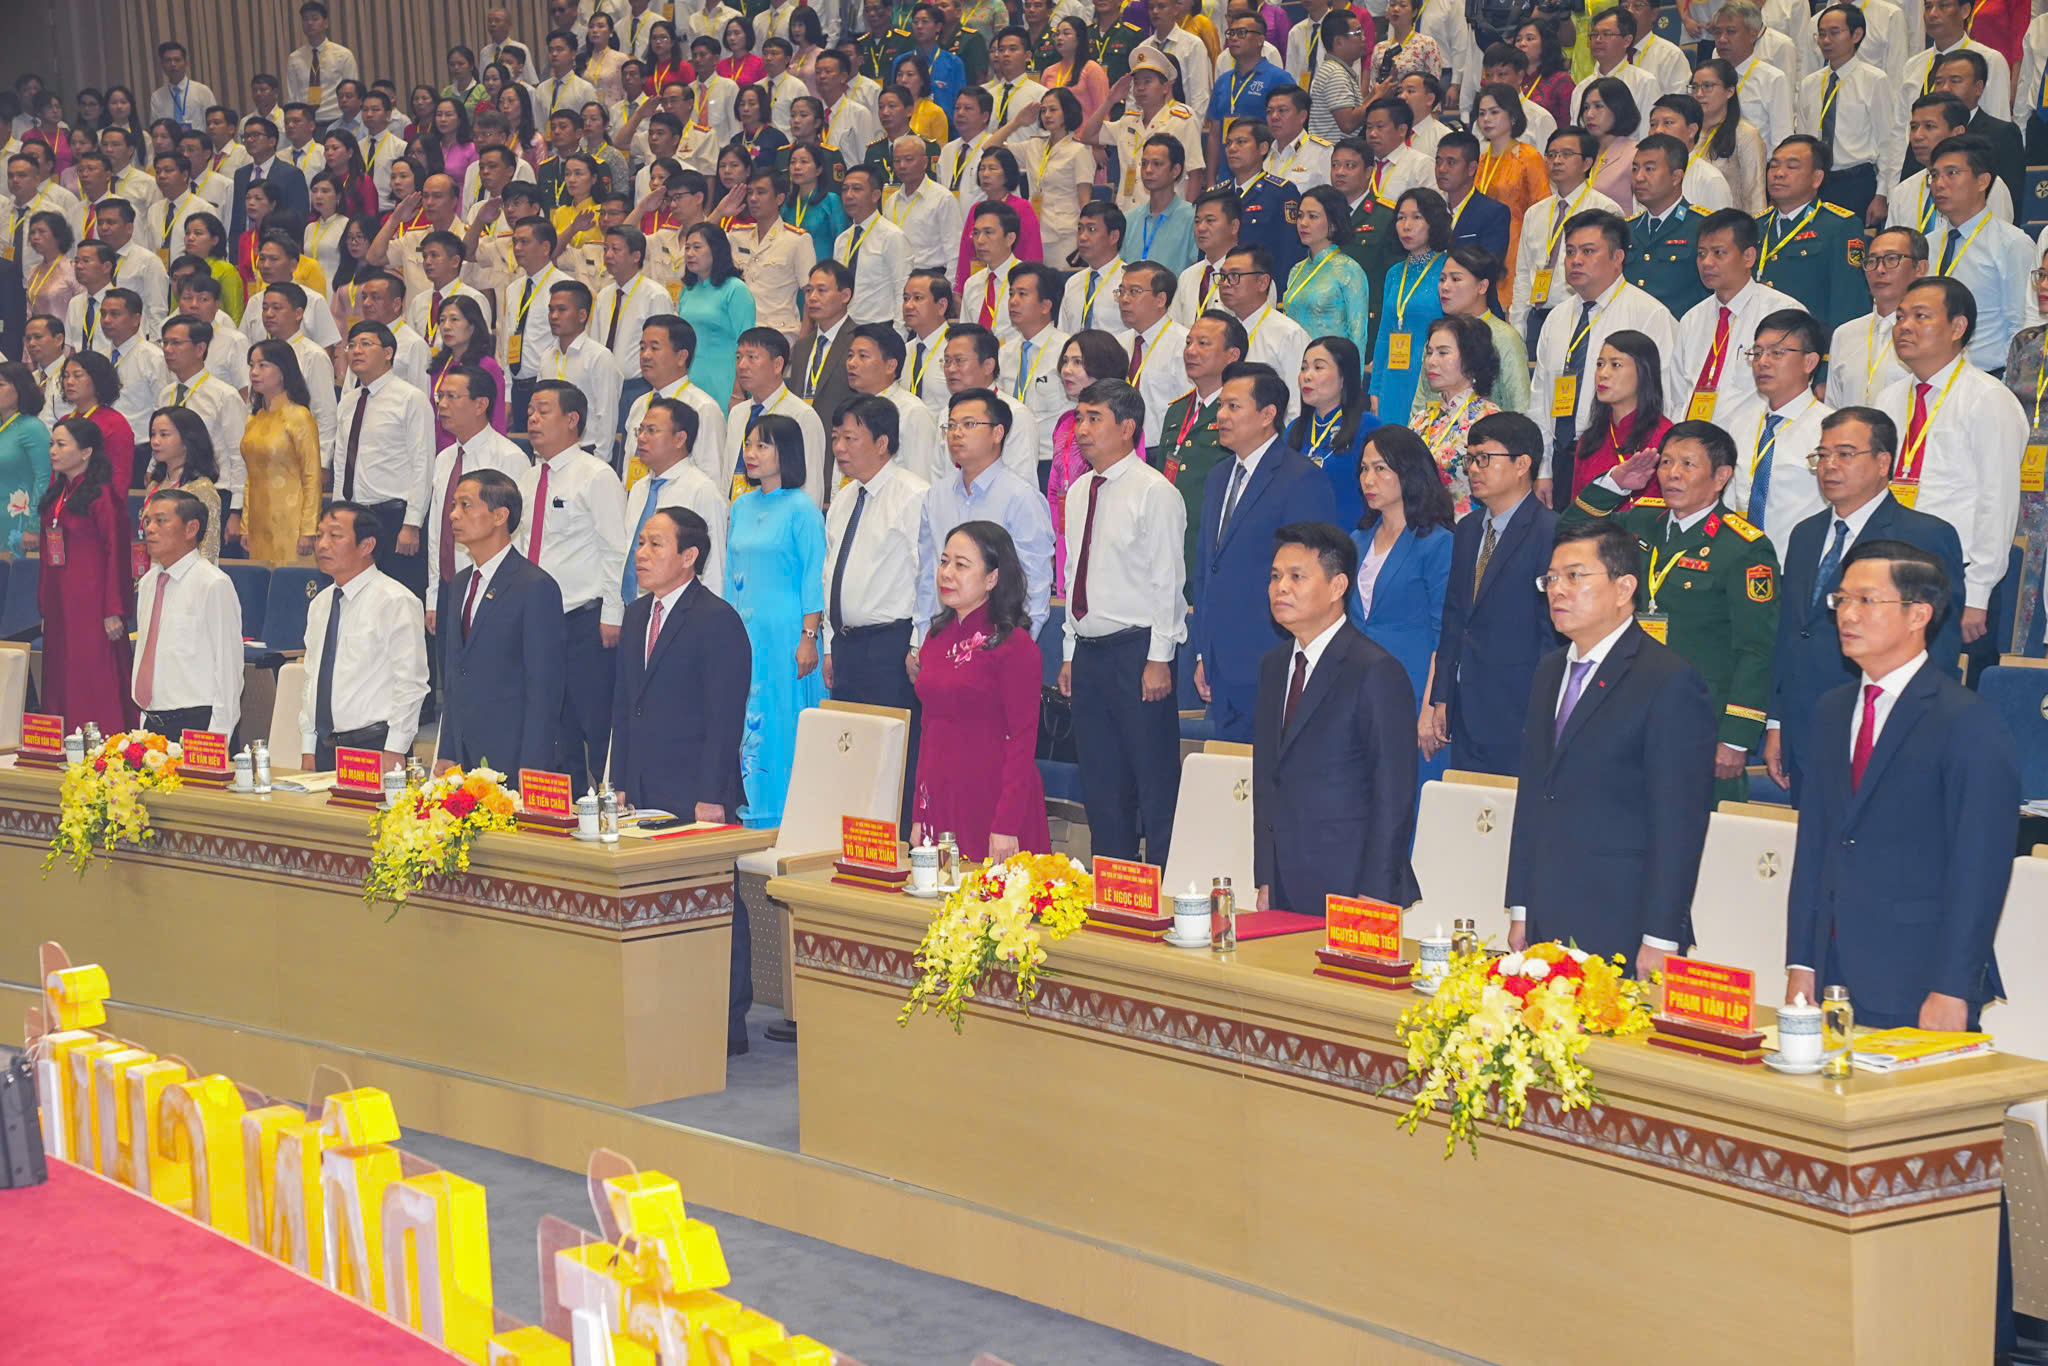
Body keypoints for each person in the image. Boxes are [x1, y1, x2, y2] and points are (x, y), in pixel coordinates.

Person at [1785, 540, 2015, 1030]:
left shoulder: (1966, 720)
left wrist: (1953, 986)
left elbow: (1980, 868)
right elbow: (1814, 845)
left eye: (1867, 600)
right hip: (1832, 972)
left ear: (1919, 614)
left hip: (1920, 976)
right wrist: (1801, 962)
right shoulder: (1831, 711)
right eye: (1842, 599)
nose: (1847, 614)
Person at [1506, 518, 1716, 973]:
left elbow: (1678, 823)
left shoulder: (1668, 680)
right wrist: (1520, 906)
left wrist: (1661, 935)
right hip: (1546, 911)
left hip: (1623, 919)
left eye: (1575, 576)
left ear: (1624, 588)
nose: (1558, 590)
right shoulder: (1548, 671)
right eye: (1551, 579)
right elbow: (1533, 796)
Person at [1562, 419, 1782, 803]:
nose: (1672, 474)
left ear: (1721, 477)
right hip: (1625, 705)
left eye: (1687, 464)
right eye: (1666, 462)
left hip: (1698, 714)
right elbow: (1568, 535)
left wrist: (1735, 737)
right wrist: (1615, 484)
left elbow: (1757, 649)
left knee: (1693, 825)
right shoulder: (1641, 521)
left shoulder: (1744, 547)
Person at [1763, 407, 1964, 803]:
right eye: (1822, 455)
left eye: (1845, 454)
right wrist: (1777, 722)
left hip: (1880, 728)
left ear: (1883, 462)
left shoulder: (1924, 536)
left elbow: (1939, 648)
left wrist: (1916, 733)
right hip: (1804, 730)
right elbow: (1791, 634)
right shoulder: (1805, 534)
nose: (1829, 466)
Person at [1253, 518, 1420, 915]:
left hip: (1353, 886)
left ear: (1337, 586)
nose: (1281, 587)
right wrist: (1265, 875)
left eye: (1296, 576)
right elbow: (1267, 780)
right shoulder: (1274, 667)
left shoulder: (1375, 670)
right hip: (1285, 882)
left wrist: (1376, 893)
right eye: (1275, 576)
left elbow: (1393, 794)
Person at [1875, 277, 2024, 659]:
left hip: (1955, 575)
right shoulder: (1889, 399)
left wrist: (1977, 594)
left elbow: (1997, 502)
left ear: (1957, 327)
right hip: (1889, 569)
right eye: (1900, 317)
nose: (1904, 326)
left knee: (1943, 689)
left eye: (1920, 316)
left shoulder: (1988, 399)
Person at [1188, 361, 1338, 742]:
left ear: (1268, 414)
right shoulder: (1219, 476)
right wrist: (1204, 652)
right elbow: (1206, 569)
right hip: (1220, 666)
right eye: (1221, 406)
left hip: (1274, 664)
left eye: (1233, 406)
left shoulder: (1301, 479)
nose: (1221, 416)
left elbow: (1311, 579)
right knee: (1228, 772)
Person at [1428, 411, 1558, 775]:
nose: (1473, 469)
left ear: (1522, 464)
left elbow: (1552, 633)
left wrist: (1544, 708)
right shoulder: (1468, 529)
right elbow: (1455, 617)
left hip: (1520, 708)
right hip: (1465, 707)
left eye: (1484, 458)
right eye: (1470, 459)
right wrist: (1442, 695)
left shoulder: (1551, 532)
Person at [912, 518, 1050, 859]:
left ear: (992, 578)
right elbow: (928, 730)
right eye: (944, 562)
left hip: (993, 800)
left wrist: (1006, 824)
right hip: (940, 796)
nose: (946, 573)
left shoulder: (1015, 646)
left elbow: (1023, 741)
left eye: (961, 565)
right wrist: (918, 814)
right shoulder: (935, 639)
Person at [517, 381, 629, 787]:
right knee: (553, 726)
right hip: (540, 622)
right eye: (530, 410)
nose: (532, 419)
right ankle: (567, 808)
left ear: (572, 419)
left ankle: (611, 802)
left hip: (586, 621)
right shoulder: (528, 478)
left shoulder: (596, 476)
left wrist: (613, 613)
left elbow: (615, 549)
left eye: (543, 410)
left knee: (596, 724)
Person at [611, 503, 750, 825]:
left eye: (655, 544)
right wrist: (618, 783)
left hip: (694, 795)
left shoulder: (717, 619)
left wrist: (711, 795)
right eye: (641, 543)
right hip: (639, 791)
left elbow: (724, 719)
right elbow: (624, 705)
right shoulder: (636, 615)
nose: (641, 554)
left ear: (689, 557)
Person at [725, 413, 827, 826]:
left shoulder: (803, 509)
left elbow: (813, 576)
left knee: (781, 721)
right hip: (744, 631)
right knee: (744, 718)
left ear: (786, 452)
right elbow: (730, 573)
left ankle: (783, 815)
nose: (751, 453)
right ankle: (749, 808)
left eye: (762, 445)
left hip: (786, 634)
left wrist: (809, 636)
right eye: (749, 444)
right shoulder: (740, 506)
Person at [437, 467, 568, 780]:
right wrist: (446, 750)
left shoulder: (534, 586)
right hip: (463, 754)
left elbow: (544, 687)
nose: (453, 515)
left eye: (465, 505)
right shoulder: (460, 583)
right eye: (453, 505)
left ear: (500, 516)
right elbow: (455, 675)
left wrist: (533, 764)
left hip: (513, 754)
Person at [1347, 424, 1453, 786]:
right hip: (1361, 689)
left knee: (1413, 795)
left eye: (1381, 468)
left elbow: (1444, 635)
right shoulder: (1357, 539)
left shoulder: (1437, 543)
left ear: (1409, 472)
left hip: (1414, 687)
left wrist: (1430, 707)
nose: (1368, 479)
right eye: (1364, 469)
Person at [822, 393, 929, 738]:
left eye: (850, 438)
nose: (839, 448)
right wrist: (829, 646)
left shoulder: (914, 495)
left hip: (891, 647)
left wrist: (918, 645)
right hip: (846, 645)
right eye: (835, 437)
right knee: (850, 751)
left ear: (882, 443)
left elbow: (927, 576)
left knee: (892, 750)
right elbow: (830, 576)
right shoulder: (844, 499)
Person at [299, 501, 429, 771]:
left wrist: (395, 749)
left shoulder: (395, 601)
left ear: (366, 545)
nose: (322, 544)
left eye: (335, 535)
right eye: (320, 535)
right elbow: (312, 678)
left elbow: (411, 683)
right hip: (325, 747)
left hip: (375, 746)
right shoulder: (320, 603)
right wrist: (308, 747)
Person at [919, 387, 1055, 641]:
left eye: (969, 424)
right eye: (951, 425)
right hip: (944, 636)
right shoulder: (936, 496)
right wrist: (921, 640)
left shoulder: (1021, 498)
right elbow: (927, 576)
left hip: (998, 641)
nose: (956, 433)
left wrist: (1019, 644)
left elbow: (1035, 582)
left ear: (997, 433)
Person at [37, 416, 135, 733]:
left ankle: (102, 741)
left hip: (93, 604)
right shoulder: (57, 496)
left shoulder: (103, 496)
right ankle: (64, 741)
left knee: (91, 673)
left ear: (86, 452)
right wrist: (45, 605)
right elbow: (46, 558)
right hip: (60, 602)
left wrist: (113, 609)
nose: (53, 451)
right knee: (60, 672)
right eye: (51, 444)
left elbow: (117, 553)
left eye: (61, 444)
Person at [426, 365, 532, 640]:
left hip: (491, 589)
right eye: (440, 397)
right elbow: (437, 533)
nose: (442, 405)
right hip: (449, 587)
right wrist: (433, 595)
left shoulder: (508, 457)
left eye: (452, 397)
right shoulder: (445, 458)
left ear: (480, 404)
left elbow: (520, 531)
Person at [1716, 308, 1832, 556]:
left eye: (1777, 353)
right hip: (1738, 563)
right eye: (1757, 353)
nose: (1762, 362)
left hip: (1797, 563)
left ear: (1809, 362)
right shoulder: (1741, 424)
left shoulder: (1829, 430)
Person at [132, 489, 242, 740]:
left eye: (161, 521)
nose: (149, 529)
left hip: (198, 724)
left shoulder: (213, 584)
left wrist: (217, 739)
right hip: (152, 724)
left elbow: (229, 672)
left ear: (191, 529)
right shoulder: (148, 583)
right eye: (147, 521)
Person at [1672, 208, 1801, 422]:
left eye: (1718, 253)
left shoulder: (1783, 312)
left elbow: (1792, 393)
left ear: (1748, 257)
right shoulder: (1691, 320)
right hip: (1693, 435)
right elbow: (1677, 396)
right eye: (1701, 254)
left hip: (1753, 437)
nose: (1707, 262)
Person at [1922, 133, 2031, 375]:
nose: (1939, 184)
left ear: (1982, 181)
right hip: (1934, 374)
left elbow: (2021, 326)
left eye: (1951, 173)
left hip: (1990, 375)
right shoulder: (1928, 245)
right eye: (1934, 175)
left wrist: (2005, 385)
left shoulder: (2012, 244)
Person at [1754, 136, 1869, 343]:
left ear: (1817, 178)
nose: (1779, 173)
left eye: (1792, 167)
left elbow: (1849, 300)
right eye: (1774, 166)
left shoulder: (1839, 226)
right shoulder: (1756, 225)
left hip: (1810, 346)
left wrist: (1833, 356)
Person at [1046, 330, 1135, 591]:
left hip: (1105, 535)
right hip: (1066, 532)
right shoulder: (1065, 423)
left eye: (1077, 362)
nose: (1066, 370)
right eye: (1065, 361)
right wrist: (1055, 537)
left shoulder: (1121, 423)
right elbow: (1054, 490)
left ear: (1102, 366)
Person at [1798, 2, 1895, 222]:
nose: (1826, 40)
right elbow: (1803, 140)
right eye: (1821, 34)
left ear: (1856, 35)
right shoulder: (1810, 83)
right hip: (1816, 182)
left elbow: (1888, 141)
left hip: (1856, 181)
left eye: (1834, 33)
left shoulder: (1874, 80)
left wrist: (1882, 194)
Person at [238, 339, 322, 565]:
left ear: (283, 371)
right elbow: (251, 477)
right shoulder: (254, 419)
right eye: (251, 365)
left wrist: (309, 529)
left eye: (263, 365)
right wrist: (246, 524)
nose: (254, 372)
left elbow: (312, 476)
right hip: (259, 522)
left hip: (292, 522)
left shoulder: (299, 416)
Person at [1286, 334, 1380, 528]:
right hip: (1299, 537)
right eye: (1303, 368)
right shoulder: (1294, 429)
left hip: (1351, 538)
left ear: (1344, 377)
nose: (1307, 376)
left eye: (1318, 367)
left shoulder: (1369, 427)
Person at [1826, 225, 1923, 409]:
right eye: (1871, 261)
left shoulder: (1930, 332)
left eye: (1891, 259)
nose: (1879, 269)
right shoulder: (1845, 334)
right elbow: (1833, 408)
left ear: (1920, 268)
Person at [1568, 328, 1671, 500]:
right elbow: (1576, 508)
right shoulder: (1589, 440)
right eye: (1600, 364)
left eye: (1615, 365)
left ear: (1643, 372)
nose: (1603, 374)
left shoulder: (1666, 438)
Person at [1411, 314, 1500, 512]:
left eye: (1443, 353)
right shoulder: (1421, 419)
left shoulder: (1488, 419)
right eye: (1429, 352)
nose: (1431, 361)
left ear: (1471, 359)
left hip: (1467, 524)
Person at [1623, 134, 1709, 321]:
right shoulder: (1626, 229)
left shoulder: (1704, 227)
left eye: (1649, 169)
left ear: (1676, 177)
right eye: (1635, 169)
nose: (1639, 177)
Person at [674, 222, 754, 414]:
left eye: (697, 247)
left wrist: (738, 391)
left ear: (716, 250)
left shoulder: (736, 289)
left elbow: (748, 344)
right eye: (687, 248)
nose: (690, 254)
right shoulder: (688, 290)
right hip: (690, 381)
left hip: (725, 383)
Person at [1283, 184, 1371, 346]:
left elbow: (1358, 335)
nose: (1303, 223)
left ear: (1333, 223)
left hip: (1332, 360)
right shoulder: (1296, 270)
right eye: (1300, 216)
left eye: (1313, 216)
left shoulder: (1349, 270)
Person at [142, 406, 223, 563]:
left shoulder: (202, 490)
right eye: (153, 434)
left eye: (164, 434)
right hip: (155, 571)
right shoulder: (155, 486)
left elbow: (208, 551)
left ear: (187, 441)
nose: (155, 441)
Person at [788, 260, 859, 430]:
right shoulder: (802, 347)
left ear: (845, 295)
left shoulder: (859, 341)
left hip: (839, 438)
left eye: (821, 290)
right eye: (809, 290)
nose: (812, 298)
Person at [60, 351, 135, 495]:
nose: (69, 382)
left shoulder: (115, 424)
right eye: (66, 376)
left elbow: (118, 480)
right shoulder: (65, 421)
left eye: (77, 375)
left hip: (97, 503)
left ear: (97, 379)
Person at [0, 362, 50, 553]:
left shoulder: (32, 428)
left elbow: (44, 478)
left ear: (20, 389)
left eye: (0, 385)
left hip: (18, 521)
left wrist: (34, 526)